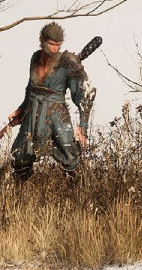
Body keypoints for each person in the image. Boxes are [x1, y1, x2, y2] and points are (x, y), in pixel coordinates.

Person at [7, 22, 94, 181]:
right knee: (21, 155)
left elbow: (84, 96)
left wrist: (83, 125)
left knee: (69, 156)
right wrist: (21, 109)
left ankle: (74, 198)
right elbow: (31, 88)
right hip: (33, 113)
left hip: (56, 115)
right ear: (41, 39)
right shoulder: (35, 57)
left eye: (58, 45)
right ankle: (19, 197)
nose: (54, 49)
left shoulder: (68, 61)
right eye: (51, 44)